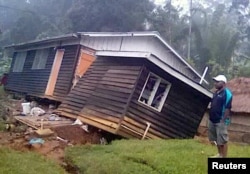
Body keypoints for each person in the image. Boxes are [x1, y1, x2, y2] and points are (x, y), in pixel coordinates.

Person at [208, 75, 233, 158]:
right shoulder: (215, 93)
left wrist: (223, 120)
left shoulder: (227, 94)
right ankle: (220, 154)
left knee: (223, 140)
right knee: (216, 139)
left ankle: (224, 157)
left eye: (217, 82)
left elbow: (227, 108)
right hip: (212, 119)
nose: (215, 83)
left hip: (220, 120)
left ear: (223, 83)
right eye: (215, 81)